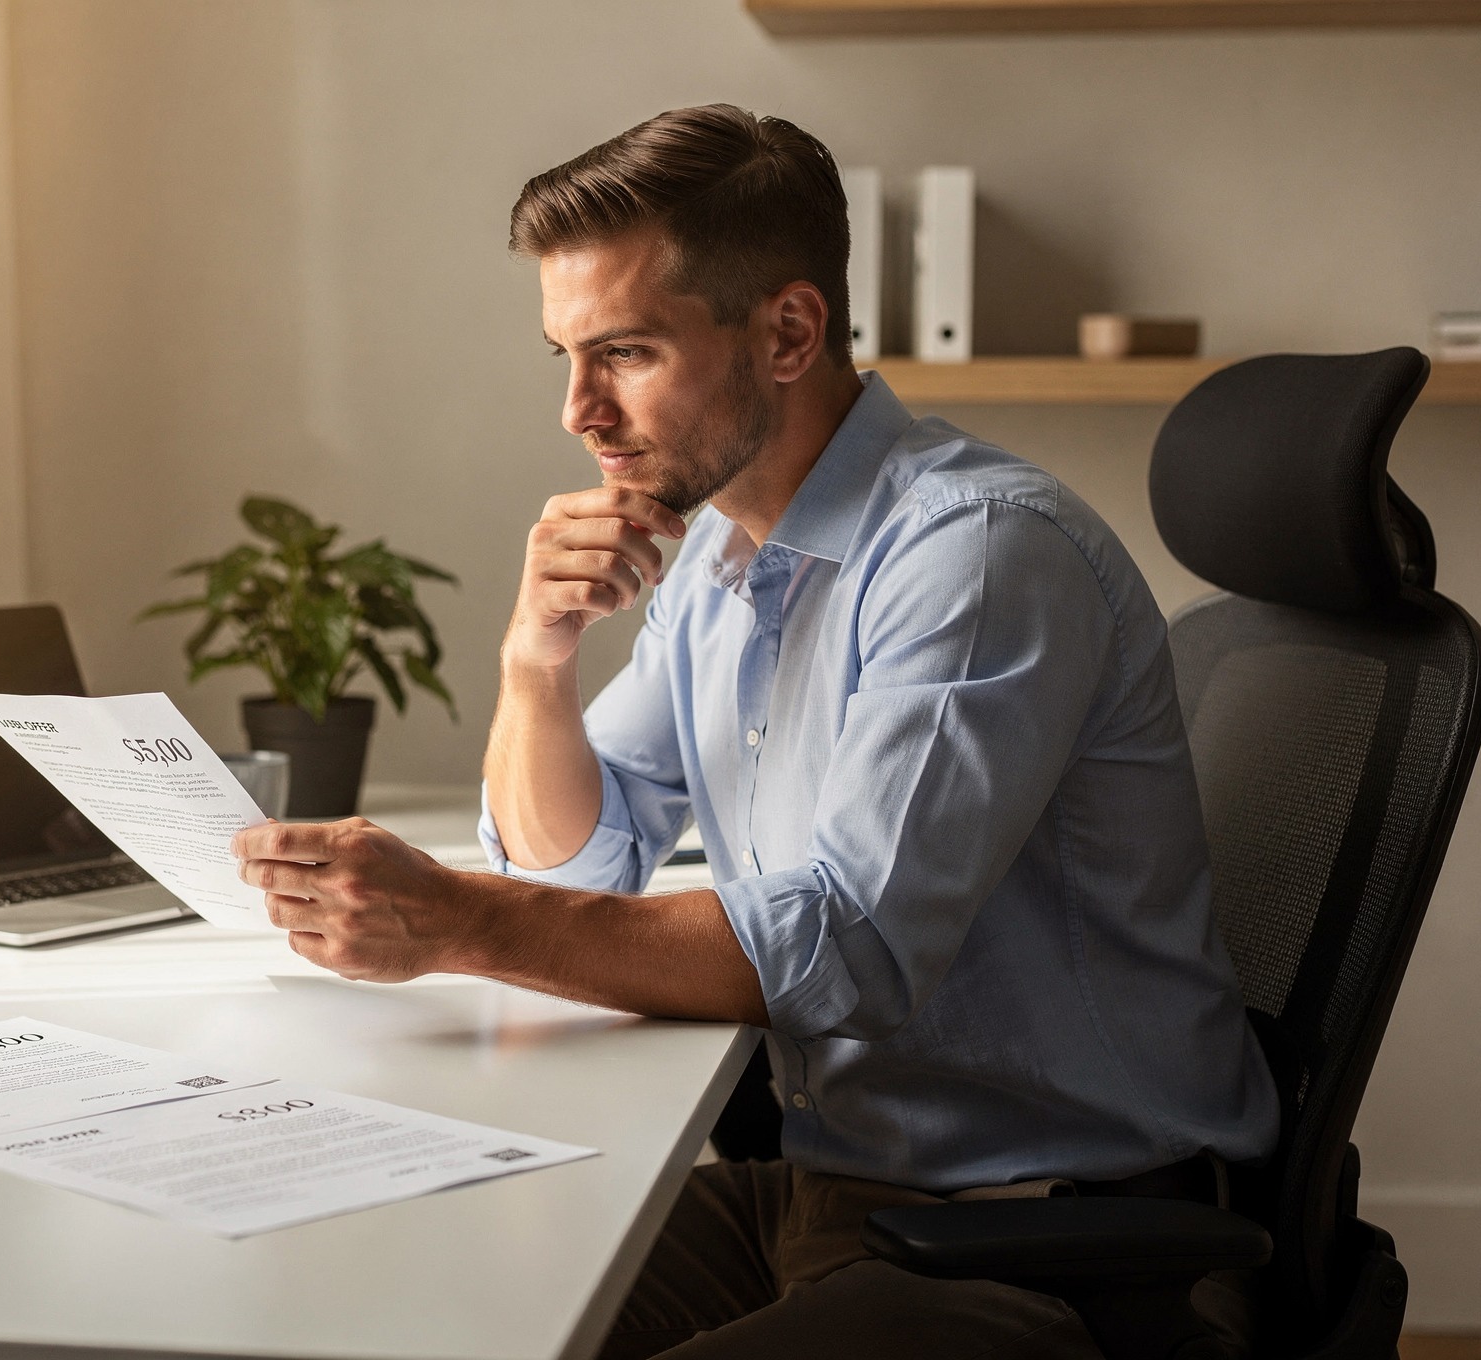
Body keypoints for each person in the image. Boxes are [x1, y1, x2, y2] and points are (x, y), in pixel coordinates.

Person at [231, 104, 1278, 1358]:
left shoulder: (978, 553)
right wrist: (534, 660)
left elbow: (847, 950)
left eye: (621, 353)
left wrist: (457, 921)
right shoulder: (725, 554)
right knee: (408, 1297)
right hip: (835, 1195)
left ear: (787, 331)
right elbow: (577, 860)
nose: (577, 409)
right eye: (563, 355)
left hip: (1050, 1247)